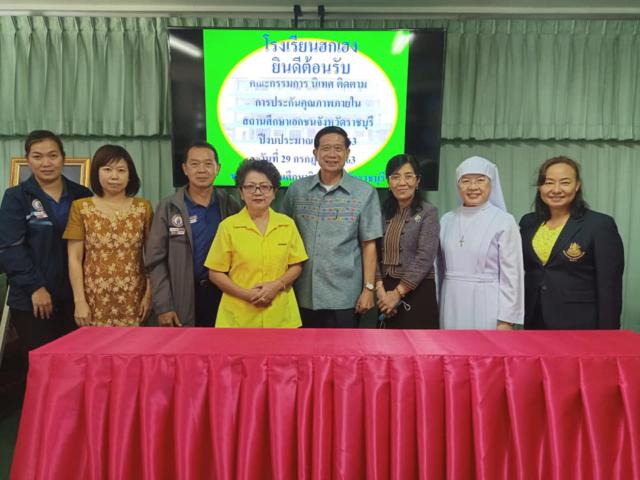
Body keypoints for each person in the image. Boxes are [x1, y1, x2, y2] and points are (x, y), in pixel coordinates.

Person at [281, 126, 383, 328]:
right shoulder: (297, 190)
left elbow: (369, 245)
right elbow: (283, 237)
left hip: (345, 296)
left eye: (338, 148)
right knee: (302, 348)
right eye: (326, 148)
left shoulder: (364, 192)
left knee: (342, 349)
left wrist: (368, 289)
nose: (332, 154)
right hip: (301, 293)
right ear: (315, 153)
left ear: (347, 153)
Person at [0, 130, 92, 350]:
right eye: (37, 156)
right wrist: (35, 287)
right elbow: (10, 248)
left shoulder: (82, 195)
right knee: (41, 362)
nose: (46, 163)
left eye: (52, 155)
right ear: (27, 160)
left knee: (74, 360)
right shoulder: (16, 197)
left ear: (63, 158)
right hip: (32, 300)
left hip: (74, 298)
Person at [520, 156, 624, 329]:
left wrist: (608, 333)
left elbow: (609, 286)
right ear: (540, 187)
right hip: (534, 318)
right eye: (549, 182)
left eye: (565, 182)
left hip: (580, 323)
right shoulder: (528, 222)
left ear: (577, 186)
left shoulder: (599, 225)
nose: (556, 189)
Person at [145, 142, 240, 327]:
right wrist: (164, 306)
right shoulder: (169, 207)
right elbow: (156, 262)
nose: (202, 170)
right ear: (185, 169)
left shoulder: (230, 205)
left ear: (218, 168)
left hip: (223, 294)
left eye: (208, 164)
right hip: (182, 295)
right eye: (195, 164)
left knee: (223, 344)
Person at [205, 159, 308, 328]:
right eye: (250, 186)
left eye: (265, 187)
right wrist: (246, 295)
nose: (257, 192)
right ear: (241, 192)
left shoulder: (287, 224)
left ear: (274, 192)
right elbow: (215, 273)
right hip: (239, 317)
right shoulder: (228, 227)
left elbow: (296, 265)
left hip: (280, 316)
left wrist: (276, 286)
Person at [64, 145, 153, 327]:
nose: (114, 176)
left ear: (130, 175)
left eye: (121, 170)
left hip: (134, 299)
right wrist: (79, 301)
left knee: (134, 345)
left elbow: (153, 256)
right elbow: (74, 258)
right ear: (96, 173)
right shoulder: (81, 208)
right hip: (94, 300)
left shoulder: (143, 208)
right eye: (107, 169)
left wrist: (149, 295)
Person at [437, 156, 524, 330]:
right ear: (458, 185)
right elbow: (438, 269)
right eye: (465, 181)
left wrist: (506, 319)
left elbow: (512, 274)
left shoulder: (504, 220)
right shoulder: (446, 219)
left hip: (488, 302)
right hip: (451, 301)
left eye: (480, 180)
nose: (473, 187)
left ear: (491, 184)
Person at [376, 154, 439, 329]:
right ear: (389, 182)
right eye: (395, 177)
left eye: (408, 176)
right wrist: (380, 291)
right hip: (385, 291)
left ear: (417, 181)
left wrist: (397, 293)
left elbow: (425, 257)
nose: (402, 182)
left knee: (418, 343)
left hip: (417, 290)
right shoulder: (382, 212)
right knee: (386, 343)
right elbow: (373, 251)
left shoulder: (428, 212)